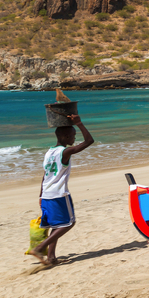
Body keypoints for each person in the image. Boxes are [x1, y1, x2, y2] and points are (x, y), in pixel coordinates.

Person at [28, 114, 94, 266]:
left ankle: (51, 258)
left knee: (57, 225)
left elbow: (45, 175)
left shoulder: (48, 153)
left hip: (46, 194)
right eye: (72, 135)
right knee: (68, 223)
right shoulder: (64, 152)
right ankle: (39, 248)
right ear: (65, 136)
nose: (74, 139)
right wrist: (79, 123)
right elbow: (89, 141)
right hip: (59, 194)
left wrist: (40, 195)